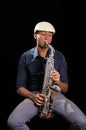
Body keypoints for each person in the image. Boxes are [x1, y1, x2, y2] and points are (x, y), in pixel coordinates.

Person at [7, 21, 86, 130]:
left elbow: (65, 88)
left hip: (55, 95)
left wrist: (58, 81)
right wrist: (32, 96)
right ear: (35, 35)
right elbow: (19, 87)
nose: (47, 38)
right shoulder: (25, 57)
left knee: (82, 122)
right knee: (13, 122)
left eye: (50, 35)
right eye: (43, 34)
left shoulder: (59, 56)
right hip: (35, 96)